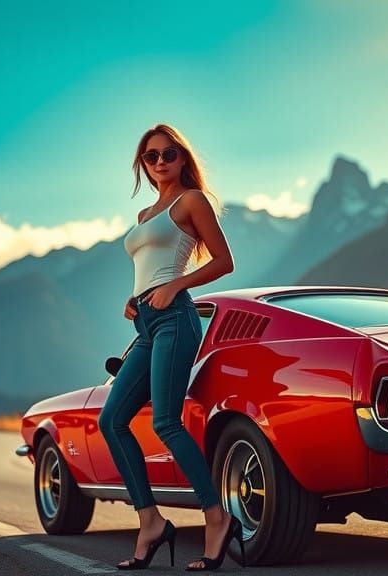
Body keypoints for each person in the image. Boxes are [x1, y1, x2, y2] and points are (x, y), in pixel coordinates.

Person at [98, 123, 242, 571]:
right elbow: (147, 265)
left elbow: (224, 261)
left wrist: (174, 286)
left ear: (182, 158)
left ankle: (216, 516)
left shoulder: (191, 202)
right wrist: (136, 297)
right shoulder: (145, 215)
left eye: (168, 154)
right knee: (112, 420)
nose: (160, 162)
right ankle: (151, 521)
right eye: (151, 156)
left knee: (166, 422)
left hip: (176, 318)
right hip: (146, 321)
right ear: (143, 164)